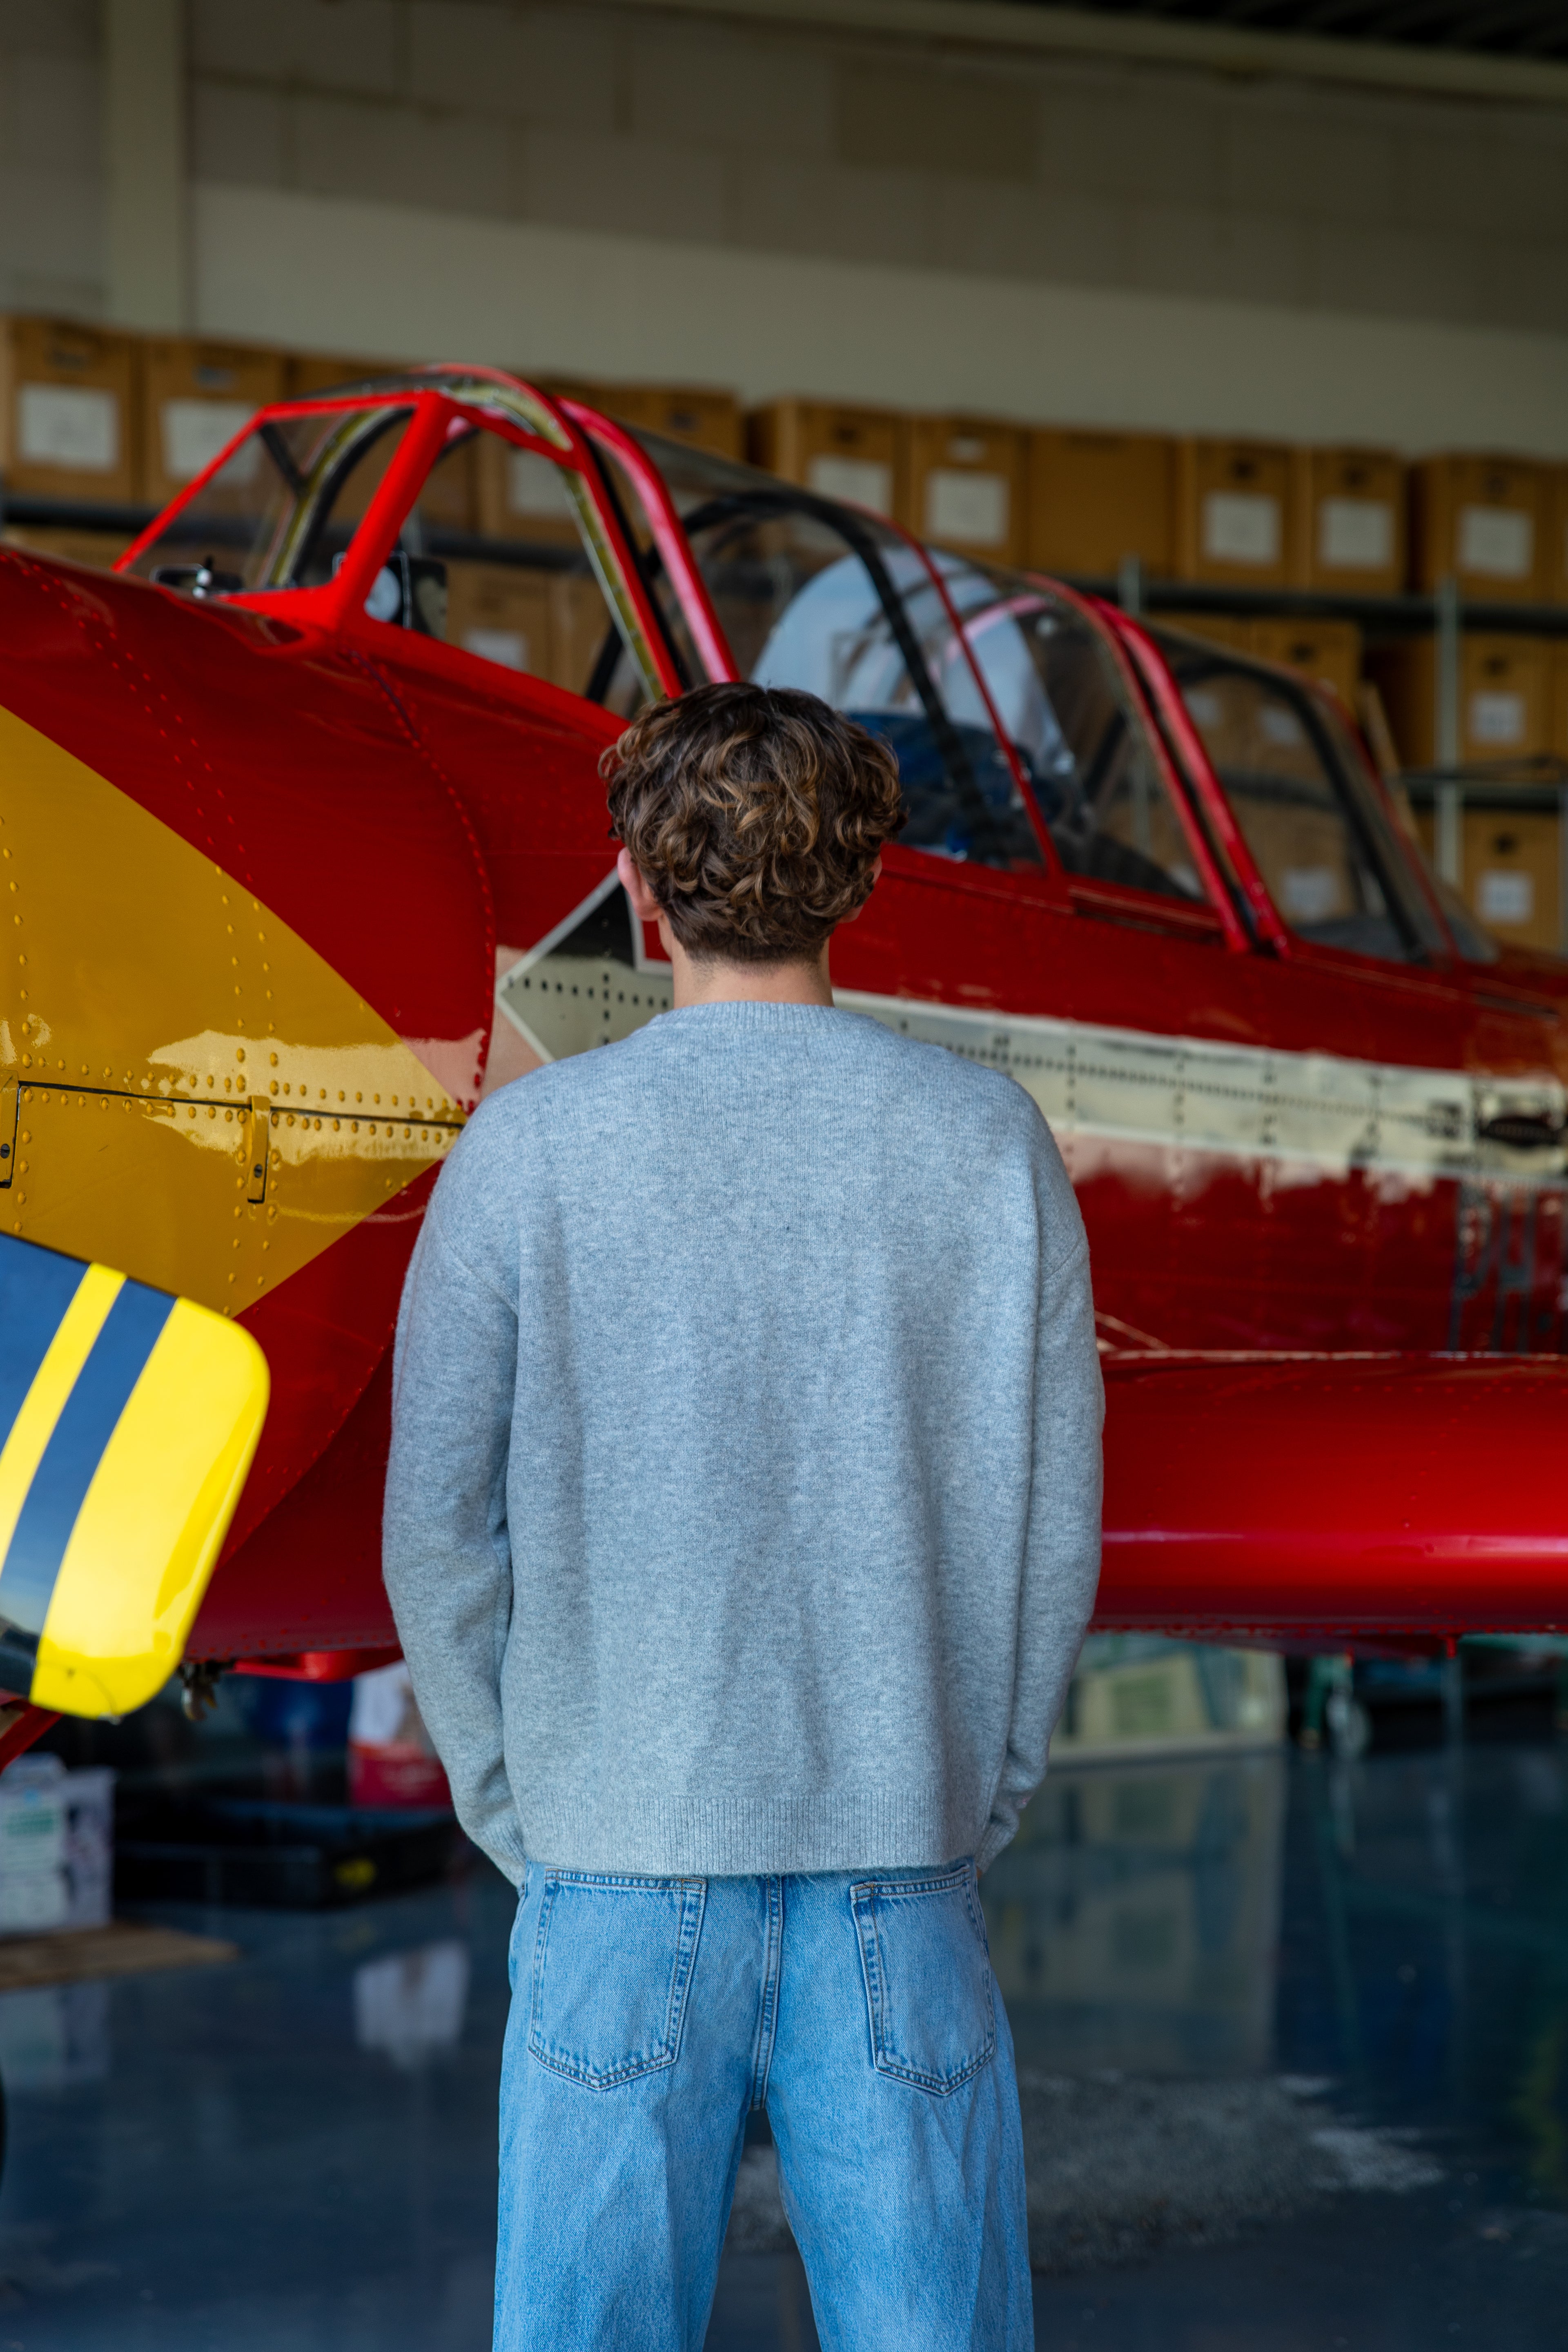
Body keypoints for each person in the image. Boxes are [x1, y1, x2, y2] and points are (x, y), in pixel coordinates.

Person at [383, 681, 1103, 2352]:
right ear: (866, 879)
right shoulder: (989, 1146)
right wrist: (968, 1797)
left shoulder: (527, 1149)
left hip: (613, 1867)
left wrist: (525, 1814)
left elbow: (437, 1527)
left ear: (641, 885)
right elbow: (1051, 1536)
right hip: (898, 1865)